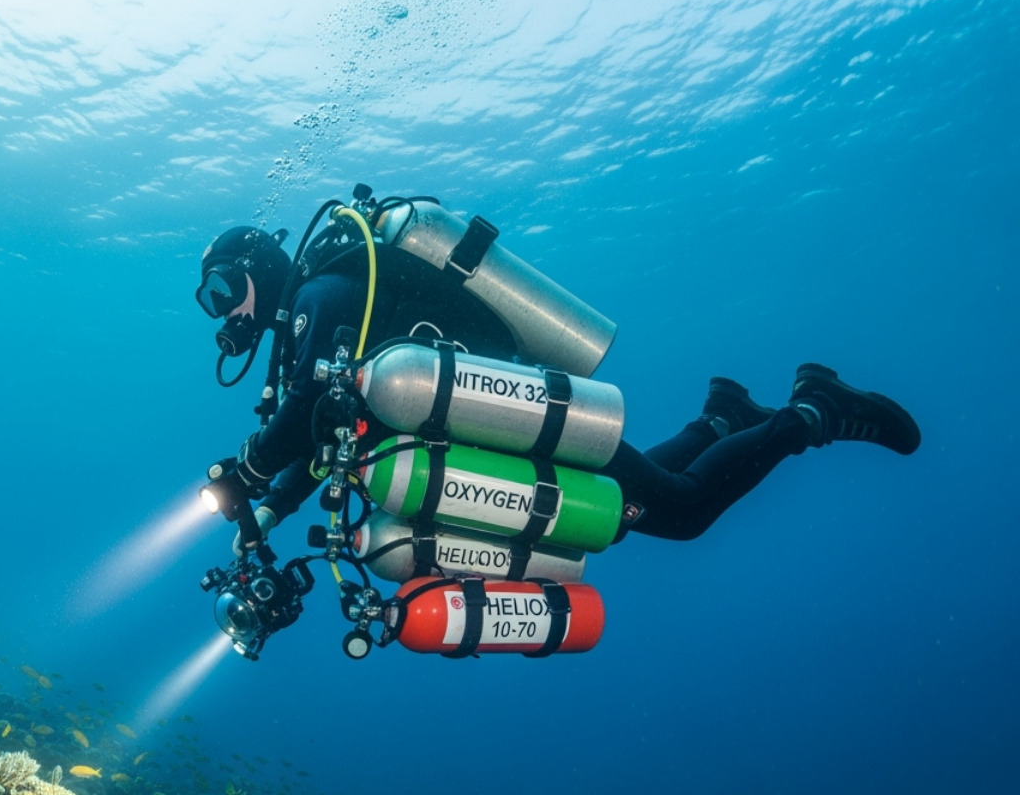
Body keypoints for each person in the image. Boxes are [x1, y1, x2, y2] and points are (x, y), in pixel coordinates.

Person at [195, 221, 921, 553]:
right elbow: (324, 434)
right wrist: (273, 507)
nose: (225, 311)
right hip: (489, 425)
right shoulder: (311, 319)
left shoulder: (319, 298)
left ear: (258, 265)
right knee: (629, 501)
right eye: (212, 301)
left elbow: (305, 413)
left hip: (501, 417)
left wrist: (250, 472)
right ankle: (721, 419)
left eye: (224, 290)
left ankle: (815, 408)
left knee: (679, 511)